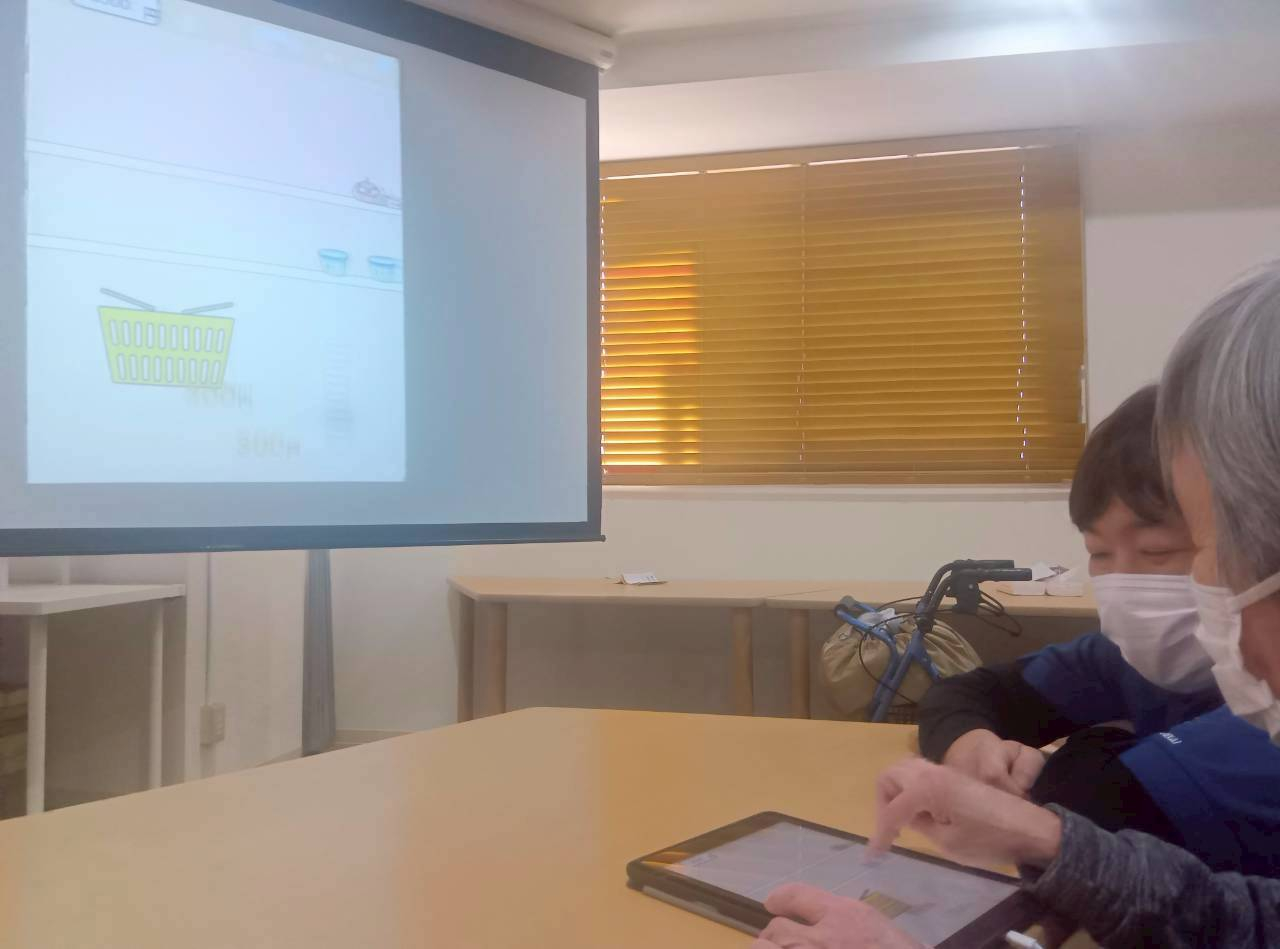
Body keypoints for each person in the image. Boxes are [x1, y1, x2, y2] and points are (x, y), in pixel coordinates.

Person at [752, 263, 1280, 949]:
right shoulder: (1137, 661)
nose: (1212, 584)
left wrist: (1074, 770)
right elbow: (1241, 918)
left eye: (1197, 545)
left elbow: (1102, 797)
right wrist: (1032, 819)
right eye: (1099, 552)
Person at [917, 383, 1280, 876]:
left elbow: (1088, 813)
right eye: (1099, 553)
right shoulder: (1126, 657)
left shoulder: (1266, 702)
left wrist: (1092, 742)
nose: (1125, 581)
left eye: (1158, 551)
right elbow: (968, 694)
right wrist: (972, 747)